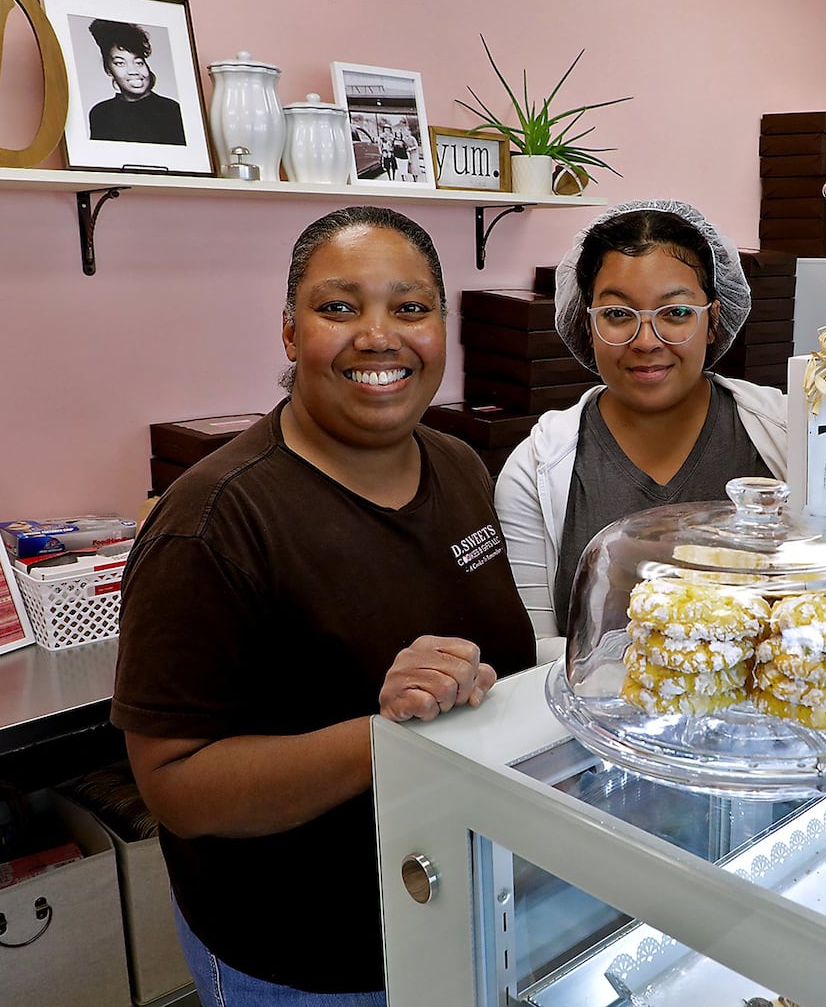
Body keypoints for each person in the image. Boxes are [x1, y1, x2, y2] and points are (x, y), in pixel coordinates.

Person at [111, 205, 536, 1004]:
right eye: (338, 308)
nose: (379, 336)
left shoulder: (459, 463)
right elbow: (174, 784)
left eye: (410, 308)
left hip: (463, 913)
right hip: (307, 960)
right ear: (288, 333)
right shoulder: (213, 521)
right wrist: (385, 739)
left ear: (443, 328)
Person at [494, 199, 787, 656]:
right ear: (586, 324)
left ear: (713, 320)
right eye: (617, 315)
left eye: (676, 313)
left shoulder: (787, 435)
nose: (647, 341)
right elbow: (531, 652)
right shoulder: (534, 471)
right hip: (596, 720)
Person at [86, 19, 186, 145]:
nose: (133, 71)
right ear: (108, 69)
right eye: (120, 63)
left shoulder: (171, 110)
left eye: (138, 62)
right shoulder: (101, 113)